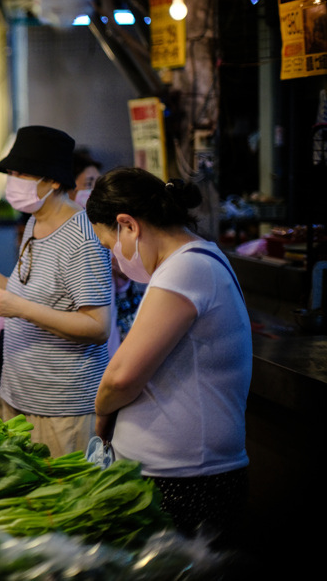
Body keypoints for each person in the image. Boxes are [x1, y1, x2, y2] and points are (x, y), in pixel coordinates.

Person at [84, 167, 251, 546]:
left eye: (110, 244)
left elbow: (121, 376)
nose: (114, 257)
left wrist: (102, 412)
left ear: (128, 225)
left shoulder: (187, 268)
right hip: (179, 472)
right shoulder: (188, 262)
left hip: (189, 480)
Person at [0, 126, 112, 457]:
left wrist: (18, 307)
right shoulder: (33, 221)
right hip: (19, 395)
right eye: (11, 173)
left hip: (62, 406)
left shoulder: (83, 237)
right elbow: (36, 294)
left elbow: (98, 326)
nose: (13, 180)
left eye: (21, 173)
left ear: (54, 180)